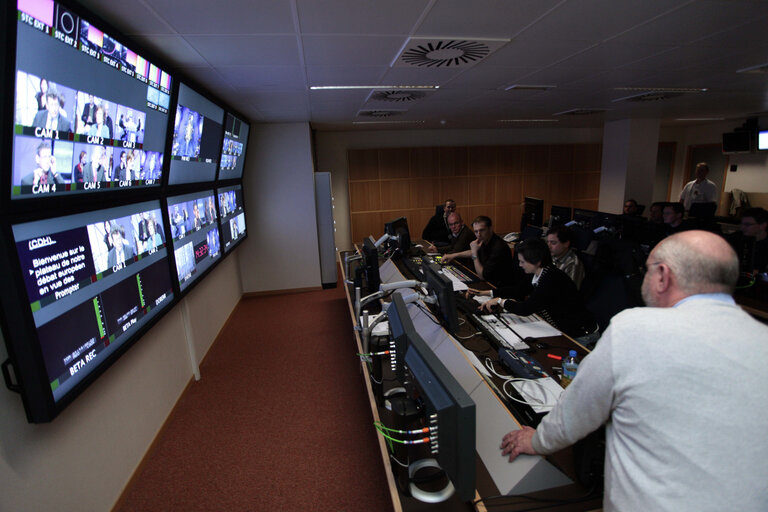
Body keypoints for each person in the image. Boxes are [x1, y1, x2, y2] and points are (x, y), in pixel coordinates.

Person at [499, 230, 768, 512]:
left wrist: (538, 441)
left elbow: (575, 411)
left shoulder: (635, 328)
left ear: (663, 275)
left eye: (646, 271)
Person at [477, 238, 596, 338]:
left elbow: (526, 309)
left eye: (523, 262)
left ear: (537, 261)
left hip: (580, 334)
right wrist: (487, 293)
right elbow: (518, 291)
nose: (520, 265)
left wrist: (499, 301)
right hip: (559, 327)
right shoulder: (538, 272)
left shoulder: (551, 278)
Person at [443, 215, 517, 287]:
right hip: (489, 282)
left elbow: (482, 276)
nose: (479, 234)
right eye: (476, 231)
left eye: (482, 230)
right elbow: (472, 252)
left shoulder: (499, 247)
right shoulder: (485, 240)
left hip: (498, 287)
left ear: (490, 229)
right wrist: (453, 255)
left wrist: (474, 253)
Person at [739, 207, 768, 274]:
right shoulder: (737, 238)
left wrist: (759, 272)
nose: (742, 228)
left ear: (763, 225)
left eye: (747, 225)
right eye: (741, 224)